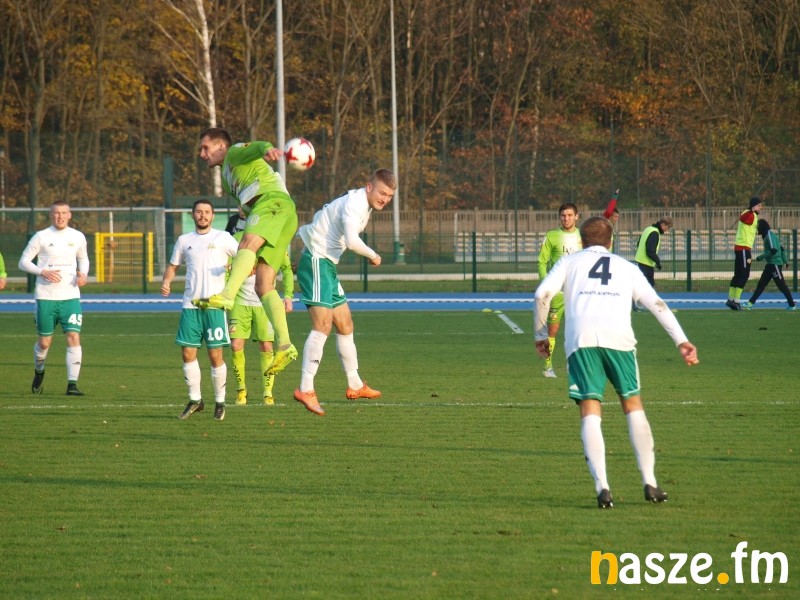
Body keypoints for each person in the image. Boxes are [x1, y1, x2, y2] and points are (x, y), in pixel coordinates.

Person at [534, 216, 699, 508]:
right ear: (611, 242)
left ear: (581, 241)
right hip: (620, 340)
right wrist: (681, 341)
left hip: (582, 341)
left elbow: (542, 293)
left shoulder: (569, 262)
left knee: (590, 408)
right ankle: (650, 482)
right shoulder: (627, 267)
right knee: (632, 404)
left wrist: (540, 334)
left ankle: (603, 488)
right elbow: (656, 304)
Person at [194, 127, 299, 377]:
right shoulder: (227, 178)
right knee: (263, 285)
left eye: (205, 148)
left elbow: (257, 146)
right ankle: (285, 346)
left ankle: (227, 295)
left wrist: (268, 149)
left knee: (246, 244)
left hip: (271, 202)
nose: (202, 154)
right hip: (283, 214)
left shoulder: (233, 153)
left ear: (221, 146)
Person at [293, 169, 397, 416]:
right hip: (317, 260)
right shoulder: (355, 204)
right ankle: (305, 388)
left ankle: (355, 384)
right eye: (382, 192)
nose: (385, 199)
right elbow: (351, 241)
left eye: (389, 196)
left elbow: (325, 220)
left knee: (345, 324)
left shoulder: (361, 203)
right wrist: (373, 255)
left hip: (326, 264)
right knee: (322, 325)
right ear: (369, 187)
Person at [161, 199, 239, 421]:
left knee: (215, 356)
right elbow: (173, 266)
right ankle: (195, 400)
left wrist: (236, 267)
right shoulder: (184, 240)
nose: (203, 215)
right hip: (190, 305)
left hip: (215, 306)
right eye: (199, 212)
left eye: (207, 212)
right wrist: (167, 281)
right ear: (193, 215)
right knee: (187, 353)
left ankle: (220, 402)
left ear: (213, 216)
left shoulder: (224, 238)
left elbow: (244, 259)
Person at [18, 201, 89, 396]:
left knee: (73, 336)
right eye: (56, 213)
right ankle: (39, 370)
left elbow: (83, 259)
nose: (60, 216)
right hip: (46, 297)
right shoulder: (41, 236)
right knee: (44, 343)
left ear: (69, 215)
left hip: (71, 296)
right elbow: (23, 262)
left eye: (64, 213)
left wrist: (83, 274)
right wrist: (42, 272)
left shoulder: (78, 236)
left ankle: (72, 385)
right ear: (51, 215)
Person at [225, 210, 295, 406]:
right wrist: (227, 292)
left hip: (264, 304)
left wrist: (288, 296)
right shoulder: (236, 239)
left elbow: (287, 269)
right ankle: (241, 391)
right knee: (236, 346)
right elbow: (226, 268)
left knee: (266, 346)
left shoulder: (274, 239)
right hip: (240, 303)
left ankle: (267, 393)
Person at [536, 202, 582, 378]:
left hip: (578, 291)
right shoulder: (552, 236)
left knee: (578, 329)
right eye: (563, 215)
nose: (566, 218)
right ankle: (548, 367)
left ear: (576, 216)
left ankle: (573, 364)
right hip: (558, 293)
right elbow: (542, 261)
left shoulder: (583, 236)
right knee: (553, 330)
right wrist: (546, 283)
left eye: (570, 215)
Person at [743, 219, 797, 311]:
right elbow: (781, 248)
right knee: (761, 284)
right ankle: (750, 303)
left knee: (782, 286)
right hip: (770, 265)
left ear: (762, 227)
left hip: (775, 264)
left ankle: (792, 305)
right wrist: (786, 261)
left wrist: (760, 257)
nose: (757, 229)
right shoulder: (770, 235)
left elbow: (774, 250)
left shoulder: (769, 235)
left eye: (758, 227)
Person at [726, 197, 762, 310]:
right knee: (744, 275)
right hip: (743, 248)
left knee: (738, 274)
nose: (760, 207)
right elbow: (743, 218)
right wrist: (752, 209)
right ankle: (736, 300)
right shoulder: (748, 213)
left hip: (743, 248)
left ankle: (731, 300)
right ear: (754, 205)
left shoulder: (753, 215)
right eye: (759, 205)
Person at [634, 216, 673, 287]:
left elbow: (638, 244)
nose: (667, 230)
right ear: (663, 224)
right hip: (646, 266)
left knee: (639, 288)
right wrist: (658, 262)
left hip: (639, 263)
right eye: (667, 227)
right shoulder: (655, 233)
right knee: (648, 289)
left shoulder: (648, 229)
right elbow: (650, 251)